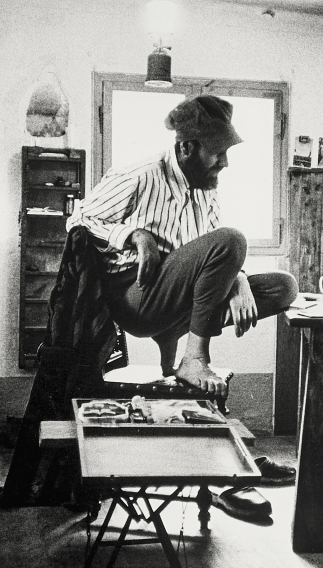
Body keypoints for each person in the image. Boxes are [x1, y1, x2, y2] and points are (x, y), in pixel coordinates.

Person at [67, 94, 299, 517]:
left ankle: (221, 470)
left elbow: (213, 252)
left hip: (182, 302)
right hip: (139, 297)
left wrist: (240, 280)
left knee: (283, 287)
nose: (224, 163)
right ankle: (195, 358)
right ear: (187, 147)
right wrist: (134, 235)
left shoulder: (206, 189)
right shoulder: (139, 173)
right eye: (219, 153)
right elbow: (78, 220)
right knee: (234, 239)